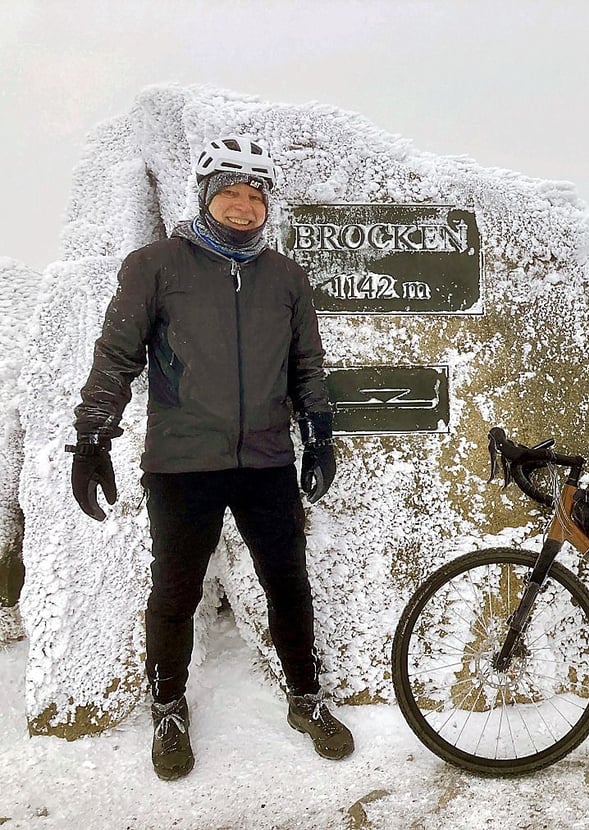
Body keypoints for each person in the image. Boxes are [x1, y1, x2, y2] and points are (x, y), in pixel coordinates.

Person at [66, 135, 353, 780]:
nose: (245, 207)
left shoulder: (284, 275)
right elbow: (117, 356)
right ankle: (167, 708)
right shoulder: (158, 265)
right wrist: (92, 438)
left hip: (267, 461)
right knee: (175, 591)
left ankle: (307, 696)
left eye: (256, 196)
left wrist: (320, 430)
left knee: (287, 582)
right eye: (231, 193)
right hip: (183, 463)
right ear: (206, 197)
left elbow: (306, 359)